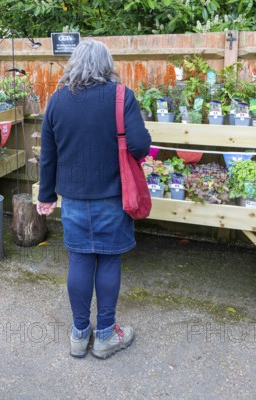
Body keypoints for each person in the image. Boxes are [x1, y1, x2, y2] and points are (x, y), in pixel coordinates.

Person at [36, 40, 151, 359]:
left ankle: (78, 335)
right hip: (113, 199)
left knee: (80, 260)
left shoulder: (57, 101)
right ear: (106, 64)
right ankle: (104, 337)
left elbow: (48, 156)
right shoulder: (121, 97)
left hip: (73, 201)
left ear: (74, 63)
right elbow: (140, 146)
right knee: (109, 261)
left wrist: (46, 196)